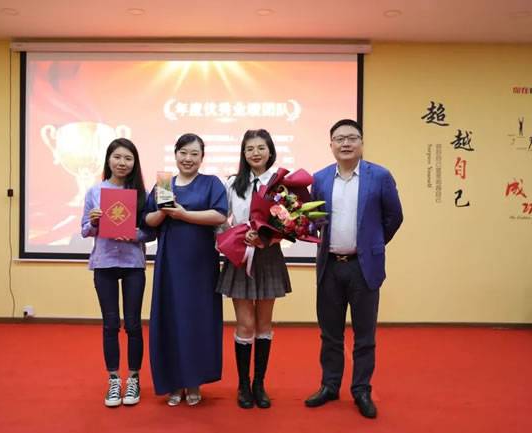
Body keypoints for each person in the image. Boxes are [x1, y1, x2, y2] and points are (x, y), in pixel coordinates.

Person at [305, 119, 403, 418]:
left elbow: (394, 217)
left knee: (365, 336)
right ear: (331, 144)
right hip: (330, 266)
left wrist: (373, 244)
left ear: (361, 142)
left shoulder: (380, 176)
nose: (345, 143)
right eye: (339, 138)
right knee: (330, 334)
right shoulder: (320, 178)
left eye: (352, 137)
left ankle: (361, 389)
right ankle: (330, 385)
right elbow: (312, 220)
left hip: (363, 268)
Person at [144, 133, 228, 406]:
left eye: (194, 154)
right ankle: (174, 383)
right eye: (183, 152)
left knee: (197, 321)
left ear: (202, 157)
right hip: (170, 263)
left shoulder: (211, 182)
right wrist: (163, 212)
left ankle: (194, 382)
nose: (188, 158)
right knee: (170, 318)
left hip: (201, 264)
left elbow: (219, 214)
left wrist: (183, 214)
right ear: (175, 154)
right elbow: (148, 220)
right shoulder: (164, 183)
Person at [216, 129, 292, 409]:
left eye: (261, 148)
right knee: (245, 324)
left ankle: (260, 384)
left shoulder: (280, 185)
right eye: (250, 149)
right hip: (241, 256)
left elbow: (289, 223)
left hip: (268, 256)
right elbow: (220, 219)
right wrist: (235, 236)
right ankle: (243, 385)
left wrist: (267, 237)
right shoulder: (233, 183)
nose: (255, 153)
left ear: (270, 151)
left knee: (264, 324)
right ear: (243, 153)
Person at [81, 138, 154, 407]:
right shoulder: (95, 191)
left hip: (133, 263)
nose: (122, 163)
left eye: (128, 158)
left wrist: (135, 234)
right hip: (104, 263)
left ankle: (133, 378)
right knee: (110, 324)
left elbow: (151, 232)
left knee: (133, 324)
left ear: (135, 162)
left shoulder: (142, 194)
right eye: (117, 157)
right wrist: (94, 222)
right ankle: (114, 380)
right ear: (108, 159)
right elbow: (84, 230)